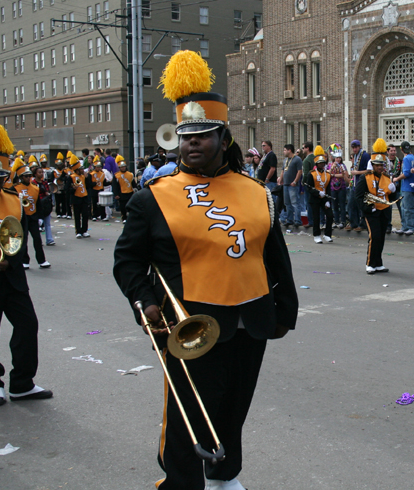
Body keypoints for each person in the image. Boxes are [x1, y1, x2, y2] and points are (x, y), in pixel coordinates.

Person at [113, 50, 298, 490]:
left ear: (224, 138)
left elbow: (275, 256)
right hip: (190, 322)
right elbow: (128, 261)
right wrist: (144, 302)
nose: (191, 143)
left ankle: (223, 474)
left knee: (234, 405)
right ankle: (179, 484)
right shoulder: (151, 197)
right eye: (184, 136)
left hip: (249, 320)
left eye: (202, 135)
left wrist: (285, 310)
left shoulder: (256, 191)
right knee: (186, 415)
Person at [0, 124, 53, 407]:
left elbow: (19, 236)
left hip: (12, 277)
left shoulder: (14, 199)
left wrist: (9, 260)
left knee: (28, 325)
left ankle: (22, 383)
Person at [354, 138, 398, 274]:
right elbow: (359, 196)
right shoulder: (365, 178)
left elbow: (390, 197)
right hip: (371, 212)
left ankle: (378, 263)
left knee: (381, 237)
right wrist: (368, 208)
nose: (380, 167)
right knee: (374, 236)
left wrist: (393, 191)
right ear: (372, 165)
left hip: (384, 211)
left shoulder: (386, 178)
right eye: (377, 165)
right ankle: (370, 263)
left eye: (382, 165)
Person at [14, 165, 50, 269]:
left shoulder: (35, 188)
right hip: (22, 217)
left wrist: (39, 217)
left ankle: (42, 260)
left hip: (33, 216)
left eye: (29, 176)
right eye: (26, 176)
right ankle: (25, 261)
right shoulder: (15, 188)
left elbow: (38, 204)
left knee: (37, 239)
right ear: (21, 177)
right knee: (23, 240)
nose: (28, 178)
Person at [304, 146, 335, 244]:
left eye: (323, 163)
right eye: (320, 163)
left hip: (324, 198)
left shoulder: (327, 174)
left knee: (330, 216)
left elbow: (328, 188)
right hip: (314, 199)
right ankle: (316, 235)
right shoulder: (311, 174)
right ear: (317, 164)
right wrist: (317, 193)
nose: (322, 164)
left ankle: (327, 234)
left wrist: (327, 201)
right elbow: (308, 187)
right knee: (316, 217)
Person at [63, 154, 91, 238]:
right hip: (76, 198)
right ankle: (78, 231)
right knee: (77, 215)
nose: (82, 170)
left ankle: (84, 230)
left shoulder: (84, 176)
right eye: (81, 169)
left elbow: (89, 186)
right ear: (77, 170)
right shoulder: (71, 177)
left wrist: (87, 178)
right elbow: (66, 189)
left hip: (84, 198)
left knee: (85, 215)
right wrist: (73, 188)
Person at [395, 140, 414, 235]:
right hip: (411, 186)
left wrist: (396, 179)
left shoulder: (406, 159)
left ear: (401, 149)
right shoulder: (413, 158)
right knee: (405, 207)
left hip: (407, 187)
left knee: (407, 208)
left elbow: (406, 173)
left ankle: (411, 226)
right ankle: (405, 226)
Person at [346, 140, 370, 231]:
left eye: (356, 147)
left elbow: (368, 170)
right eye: (353, 148)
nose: (354, 149)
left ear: (359, 146)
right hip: (355, 183)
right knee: (351, 204)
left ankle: (363, 224)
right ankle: (353, 223)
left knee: (361, 205)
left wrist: (357, 172)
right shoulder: (355, 156)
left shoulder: (364, 155)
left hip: (362, 183)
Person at [278, 144, 303, 230]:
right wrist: (280, 180)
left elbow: (299, 171)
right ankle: (289, 220)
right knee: (287, 203)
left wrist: (295, 181)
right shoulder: (285, 160)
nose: (283, 152)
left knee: (295, 203)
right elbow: (282, 171)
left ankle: (297, 220)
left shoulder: (297, 159)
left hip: (293, 185)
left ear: (289, 150)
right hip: (285, 184)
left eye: (285, 150)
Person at [33, 164, 56, 246]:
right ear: (35, 174)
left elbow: (48, 192)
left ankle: (49, 239)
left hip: (45, 205)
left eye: (42, 172)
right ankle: (38, 241)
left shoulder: (45, 183)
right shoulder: (33, 183)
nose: (41, 174)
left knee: (47, 223)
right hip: (37, 205)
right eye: (39, 172)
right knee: (37, 224)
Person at [327, 144, 349, 228]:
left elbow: (344, 175)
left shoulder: (342, 166)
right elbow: (328, 173)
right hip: (333, 187)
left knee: (342, 205)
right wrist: (332, 168)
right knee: (334, 205)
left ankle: (343, 221)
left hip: (341, 187)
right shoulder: (330, 165)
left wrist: (334, 175)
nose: (338, 159)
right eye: (337, 158)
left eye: (339, 158)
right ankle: (336, 221)